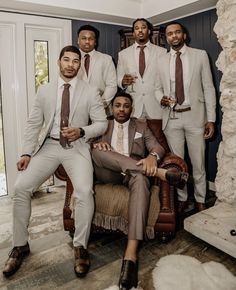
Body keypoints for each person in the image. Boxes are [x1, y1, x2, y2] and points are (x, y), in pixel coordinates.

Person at [2, 45, 107, 278]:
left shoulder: (91, 92)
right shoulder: (45, 90)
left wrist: (81, 130)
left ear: (80, 65)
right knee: (20, 188)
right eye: (66, 60)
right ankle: (20, 245)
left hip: (77, 148)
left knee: (85, 192)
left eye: (75, 61)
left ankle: (80, 246)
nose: (70, 64)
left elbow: (102, 123)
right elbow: (33, 124)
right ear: (59, 62)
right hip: (49, 146)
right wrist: (26, 153)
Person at [91, 91, 189, 290]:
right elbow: (84, 145)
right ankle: (161, 173)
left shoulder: (141, 126)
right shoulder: (103, 124)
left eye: (126, 106)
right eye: (117, 105)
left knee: (142, 179)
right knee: (97, 151)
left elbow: (158, 147)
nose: (121, 109)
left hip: (132, 176)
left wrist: (152, 156)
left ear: (131, 108)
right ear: (112, 108)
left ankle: (131, 254)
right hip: (107, 172)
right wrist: (95, 143)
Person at [156, 22, 216, 212]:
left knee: (198, 163)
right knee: (177, 163)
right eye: (170, 34)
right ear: (167, 38)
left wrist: (211, 119)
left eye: (177, 32)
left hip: (195, 117)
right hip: (171, 118)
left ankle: (200, 198)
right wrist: (162, 99)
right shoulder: (161, 60)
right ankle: (182, 199)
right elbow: (157, 88)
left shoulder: (200, 55)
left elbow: (208, 87)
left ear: (184, 35)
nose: (173, 36)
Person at [117, 18, 166, 120]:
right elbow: (118, 78)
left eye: (143, 28)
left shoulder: (162, 52)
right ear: (133, 33)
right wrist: (123, 81)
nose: (140, 30)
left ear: (149, 31)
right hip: (134, 107)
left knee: (158, 136)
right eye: (137, 28)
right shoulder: (123, 54)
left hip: (156, 106)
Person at [77, 24, 117, 116]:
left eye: (91, 39)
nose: (87, 41)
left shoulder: (106, 59)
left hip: (102, 110)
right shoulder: (72, 59)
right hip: (77, 110)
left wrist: (99, 105)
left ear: (95, 41)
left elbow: (112, 85)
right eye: (83, 38)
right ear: (78, 40)